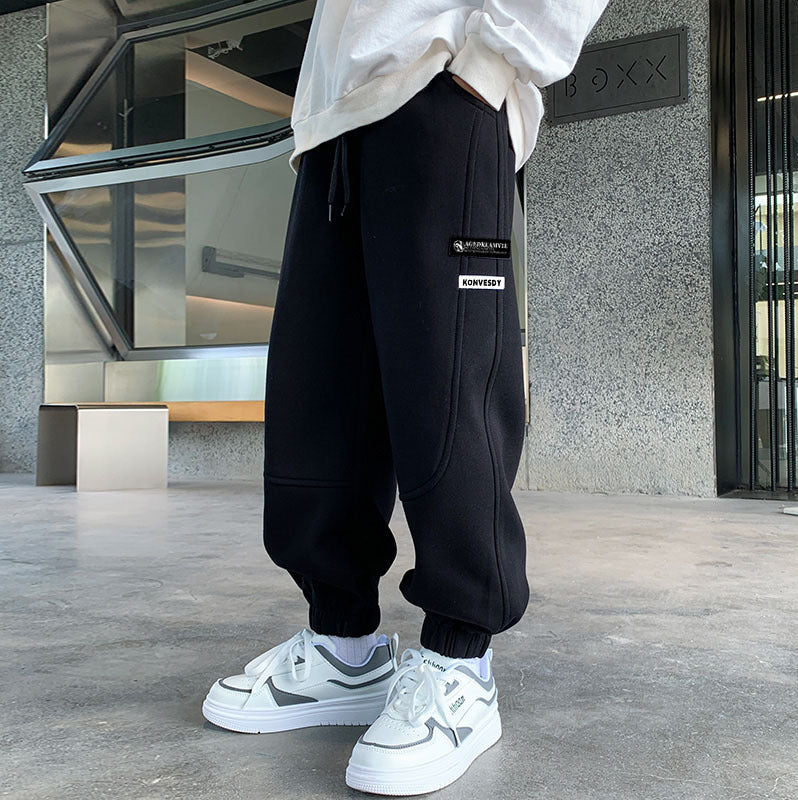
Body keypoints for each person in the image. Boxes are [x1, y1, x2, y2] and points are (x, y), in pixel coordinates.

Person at [203, 0, 609, 794]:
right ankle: (342, 647)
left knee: (448, 388)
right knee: (320, 396)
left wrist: (490, 64)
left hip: (444, 92)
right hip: (335, 124)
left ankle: (463, 660)